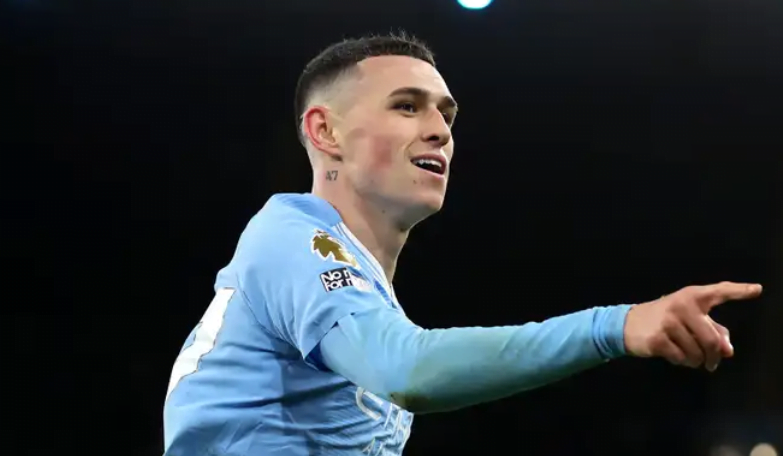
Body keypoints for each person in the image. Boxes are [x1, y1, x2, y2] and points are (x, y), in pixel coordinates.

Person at [162, 32, 762, 456]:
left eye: (447, 115)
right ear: (326, 131)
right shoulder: (289, 233)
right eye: (407, 106)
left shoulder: (363, 294)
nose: (439, 130)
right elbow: (410, 370)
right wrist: (615, 326)